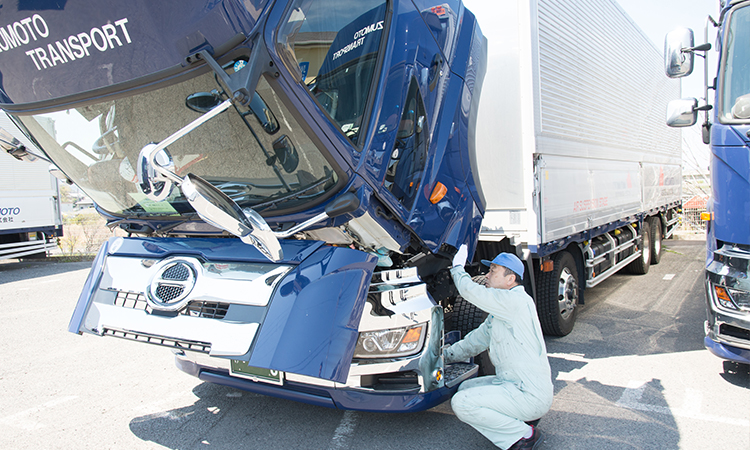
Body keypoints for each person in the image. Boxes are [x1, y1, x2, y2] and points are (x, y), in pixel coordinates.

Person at [445, 245, 553, 450]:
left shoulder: (517, 301)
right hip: (515, 385)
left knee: (462, 403)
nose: (487, 275)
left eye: (493, 271)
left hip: (528, 394)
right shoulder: (501, 313)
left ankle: (524, 436)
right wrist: (445, 355)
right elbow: (475, 341)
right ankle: (521, 419)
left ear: (510, 279)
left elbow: (471, 292)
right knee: (466, 387)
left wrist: (457, 268)